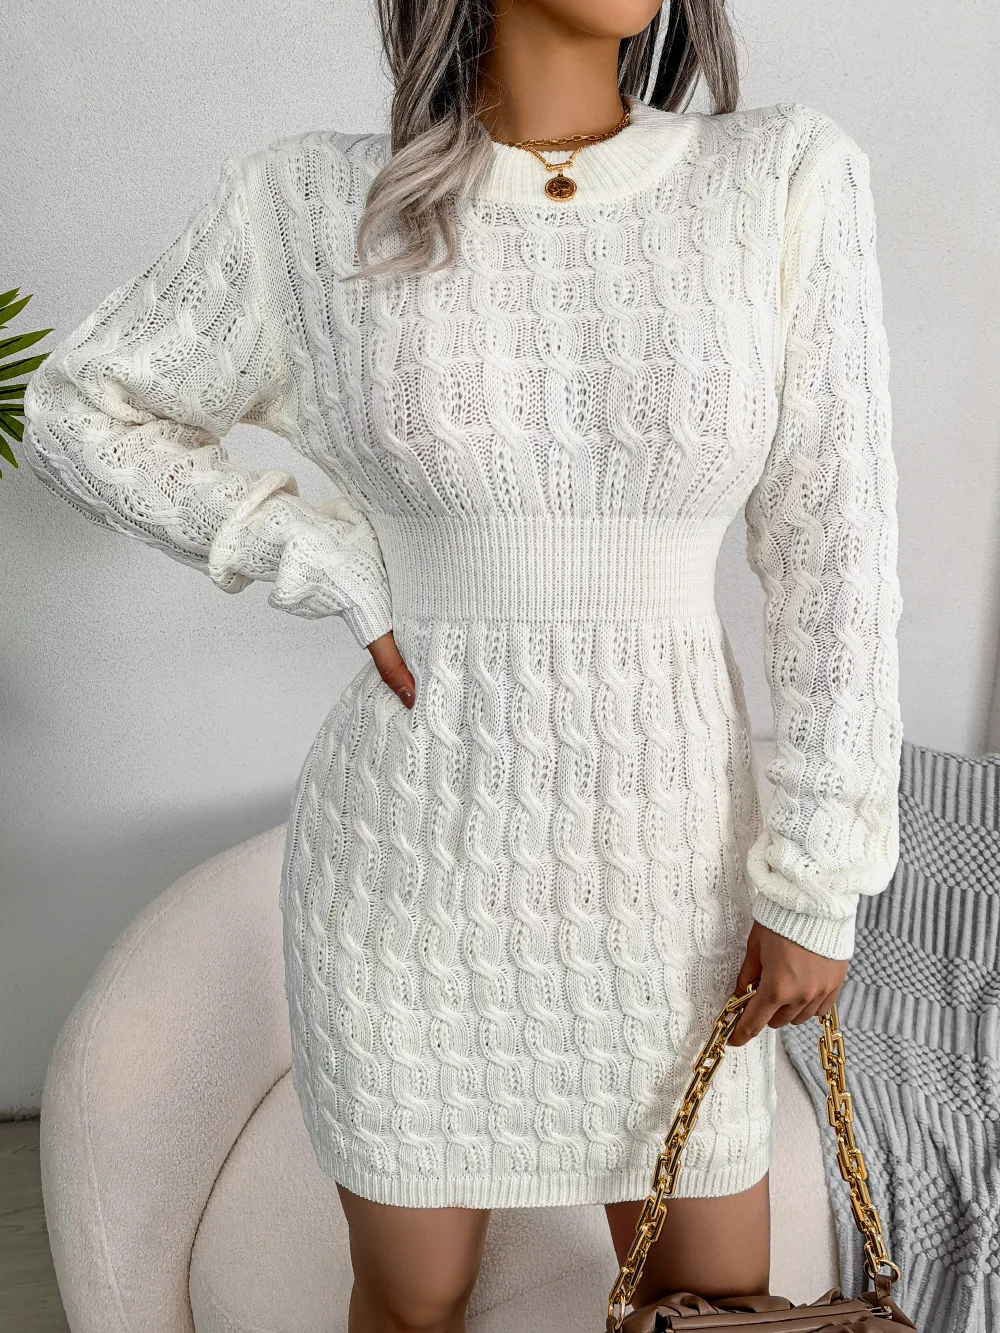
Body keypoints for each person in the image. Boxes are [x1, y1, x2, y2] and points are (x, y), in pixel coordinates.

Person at [21, 0, 903, 1329]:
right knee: (409, 1307)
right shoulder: (311, 207)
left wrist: (819, 882)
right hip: (407, 889)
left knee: (715, 1304)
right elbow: (81, 404)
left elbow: (838, 563)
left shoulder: (779, 178)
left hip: (678, 895)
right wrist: (309, 549)